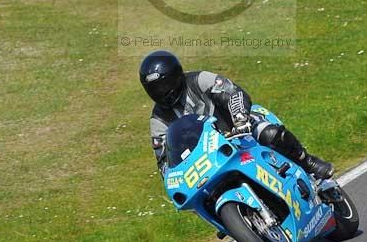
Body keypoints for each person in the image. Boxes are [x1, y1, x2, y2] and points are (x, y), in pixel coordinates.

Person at [140, 50, 334, 180]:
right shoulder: (158, 119)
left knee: (270, 134)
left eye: (164, 85)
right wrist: (172, 175)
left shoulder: (199, 80)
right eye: (154, 89)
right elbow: (163, 161)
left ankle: (307, 162)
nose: (161, 92)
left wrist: (240, 119)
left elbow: (233, 93)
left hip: (237, 131)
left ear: (176, 76)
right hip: (207, 160)